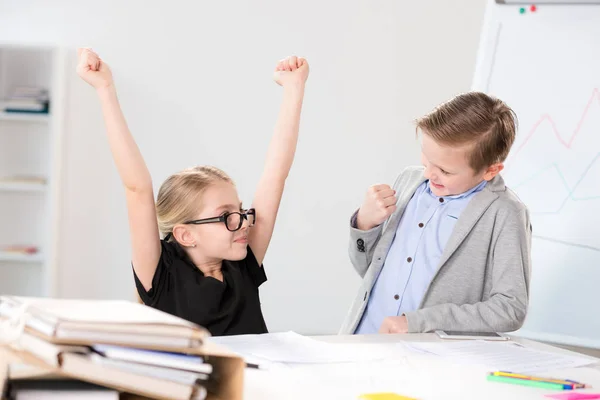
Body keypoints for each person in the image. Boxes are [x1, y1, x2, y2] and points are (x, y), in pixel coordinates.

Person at [76, 48, 309, 336]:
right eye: (226, 215)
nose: (243, 222)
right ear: (185, 234)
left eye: (239, 210)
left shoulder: (241, 263)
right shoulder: (161, 275)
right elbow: (137, 187)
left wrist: (294, 89)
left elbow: (275, 175)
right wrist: (105, 89)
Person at [340, 92, 532, 335]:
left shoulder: (505, 214)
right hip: (360, 339)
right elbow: (368, 272)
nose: (429, 174)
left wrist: (419, 322)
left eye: (445, 170)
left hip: (426, 360)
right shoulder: (408, 181)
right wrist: (364, 224)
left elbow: (510, 308)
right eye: (426, 159)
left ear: (490, 170)